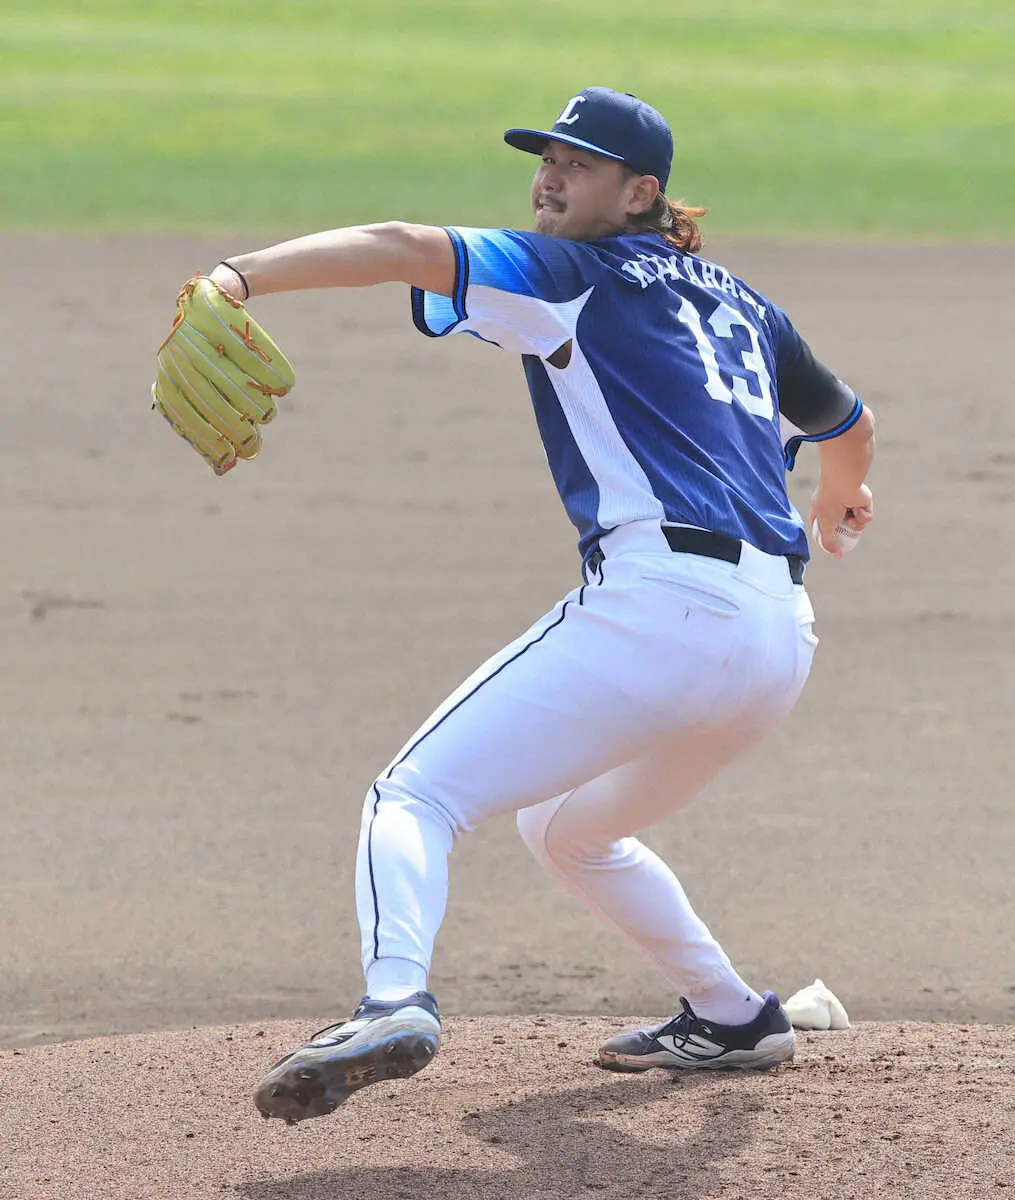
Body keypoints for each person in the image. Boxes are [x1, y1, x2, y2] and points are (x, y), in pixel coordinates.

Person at [202, 86, 874, 1124]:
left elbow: (400, 246)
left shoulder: (570, 273)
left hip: (665, 612)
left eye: (578, 164)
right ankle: (733, 1015)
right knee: (564, 830)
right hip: (777, 641)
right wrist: (839, 492)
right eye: (547, 159)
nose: (549, 178)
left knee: (412, 797)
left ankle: (391, 1001)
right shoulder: (742, 302)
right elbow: (846, 421)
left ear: (638, 193)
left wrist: (235, 276)